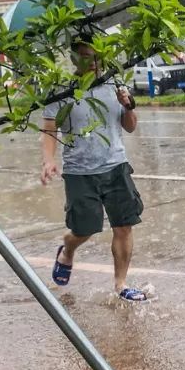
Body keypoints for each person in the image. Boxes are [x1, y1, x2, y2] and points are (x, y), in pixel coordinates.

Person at [41, 36, 147, 302]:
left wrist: (129, 106)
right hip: (80, 171)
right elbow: (50, 129)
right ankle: (67, 249)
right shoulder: (62, 89)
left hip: (116, 166)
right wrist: (49, 160)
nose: (92, 63)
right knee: (84, 229)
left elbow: (130, 126)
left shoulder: (114, 82)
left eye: (96, 56)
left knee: (124, 226)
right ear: (75, 58)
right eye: (86, 56)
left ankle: (121, 285)